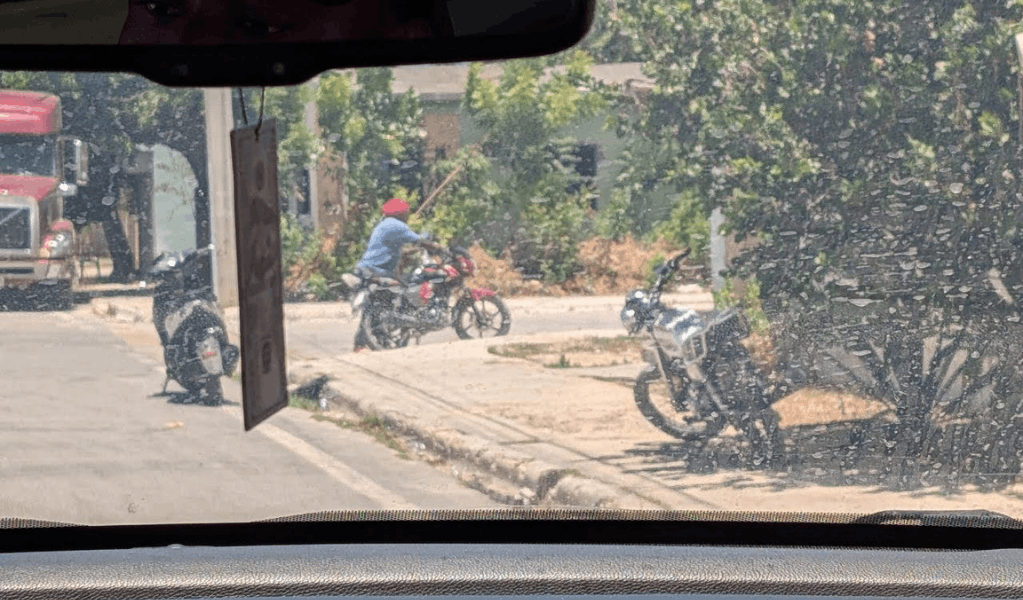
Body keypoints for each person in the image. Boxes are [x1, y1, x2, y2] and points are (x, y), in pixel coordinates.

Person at [352, 197, 444, 351]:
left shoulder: (384, 225)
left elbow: (394, 249)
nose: (407, 215)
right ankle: (408, 322)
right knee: (403, 292)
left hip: (367, 269)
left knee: (375, 305)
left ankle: (361, 343)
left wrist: (411, 251)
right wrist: (437, 247)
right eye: (406, 212)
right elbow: (419, 241)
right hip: (378, 270)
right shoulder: (396, 225)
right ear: (400, 213)